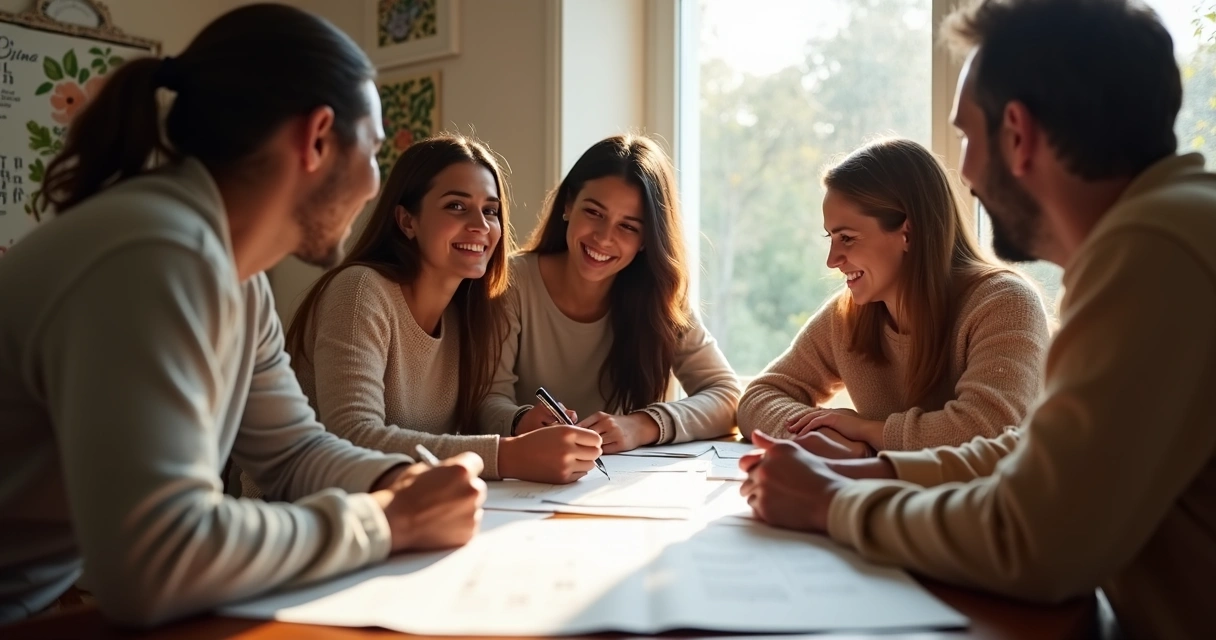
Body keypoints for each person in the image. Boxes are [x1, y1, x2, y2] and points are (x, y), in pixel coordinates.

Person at [739, 1, 1216, 637]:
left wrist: (833, 502)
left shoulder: (1156, 252)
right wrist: (878, 468)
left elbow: (1038, 540)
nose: (963, 175)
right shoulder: (1167, 235)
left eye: (966, 137)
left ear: (1017, 134)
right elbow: (1035, 456)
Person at [0, 4, 484, 626]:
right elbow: (156, 562)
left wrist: (399, 479)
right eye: (371, 153)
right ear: (316, 138)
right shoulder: (155, 254)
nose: (371, 185)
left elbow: (291, 454)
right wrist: (386, 521)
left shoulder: (236, 272)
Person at [277, 135, 601, 486]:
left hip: (405, 508)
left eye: (490, 210)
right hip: (303, 514)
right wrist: (508, 455)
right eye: (456, 207)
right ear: (407, 221)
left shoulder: (468, 311)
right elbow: (354, 437)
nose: (480, 224)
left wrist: (519, 422)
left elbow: (476, 415)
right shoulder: (360, 291)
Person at [738, 137, 1049, 458]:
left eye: (847, 238)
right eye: (830, 237)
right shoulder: (848, 317)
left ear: (908, 233)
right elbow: (760, 396)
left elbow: (988, 430)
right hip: (893, 500)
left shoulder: (1005, 303)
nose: (832, 260)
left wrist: (868, 431)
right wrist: (830, 439)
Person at [477, 135, 740, 453]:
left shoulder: (660, 294)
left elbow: (726, 395)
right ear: (569, 204)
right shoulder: (510, 280)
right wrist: (520, 421)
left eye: (628, 227)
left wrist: (642, 425)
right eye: (594, 213)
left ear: (646, 239)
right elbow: (486, 400)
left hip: (620, 483)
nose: (603, 238)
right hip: (529, 473)